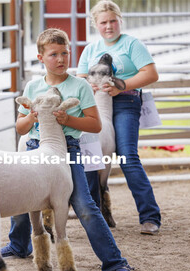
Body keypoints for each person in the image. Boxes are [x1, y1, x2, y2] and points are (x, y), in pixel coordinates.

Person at [0, 28, 133, 271]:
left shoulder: (80, 85)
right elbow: (20, 128)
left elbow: (95, 125)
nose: (60, 59)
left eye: (65, 53)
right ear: (41, 58)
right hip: (35, 149)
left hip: (68, 150)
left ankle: (115, 263)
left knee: (84, 205)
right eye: (53, 54)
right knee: (21, 198)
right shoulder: (33, 86)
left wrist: (68, 119)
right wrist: (31, 116)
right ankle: (19, 245)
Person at [77, 0, 161, 235]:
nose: (109, 26)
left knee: (127, 157)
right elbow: (81, 78)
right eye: (103, 22)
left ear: (120, 20)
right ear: (96, 24)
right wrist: (90, 88)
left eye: (113, 20)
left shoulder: (132, 44)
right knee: (91, 158)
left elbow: (151, 73)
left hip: (125, 102)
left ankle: (150, 216)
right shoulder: (90, 49)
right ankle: (95, 217)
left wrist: (119, 86)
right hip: (96, 106)